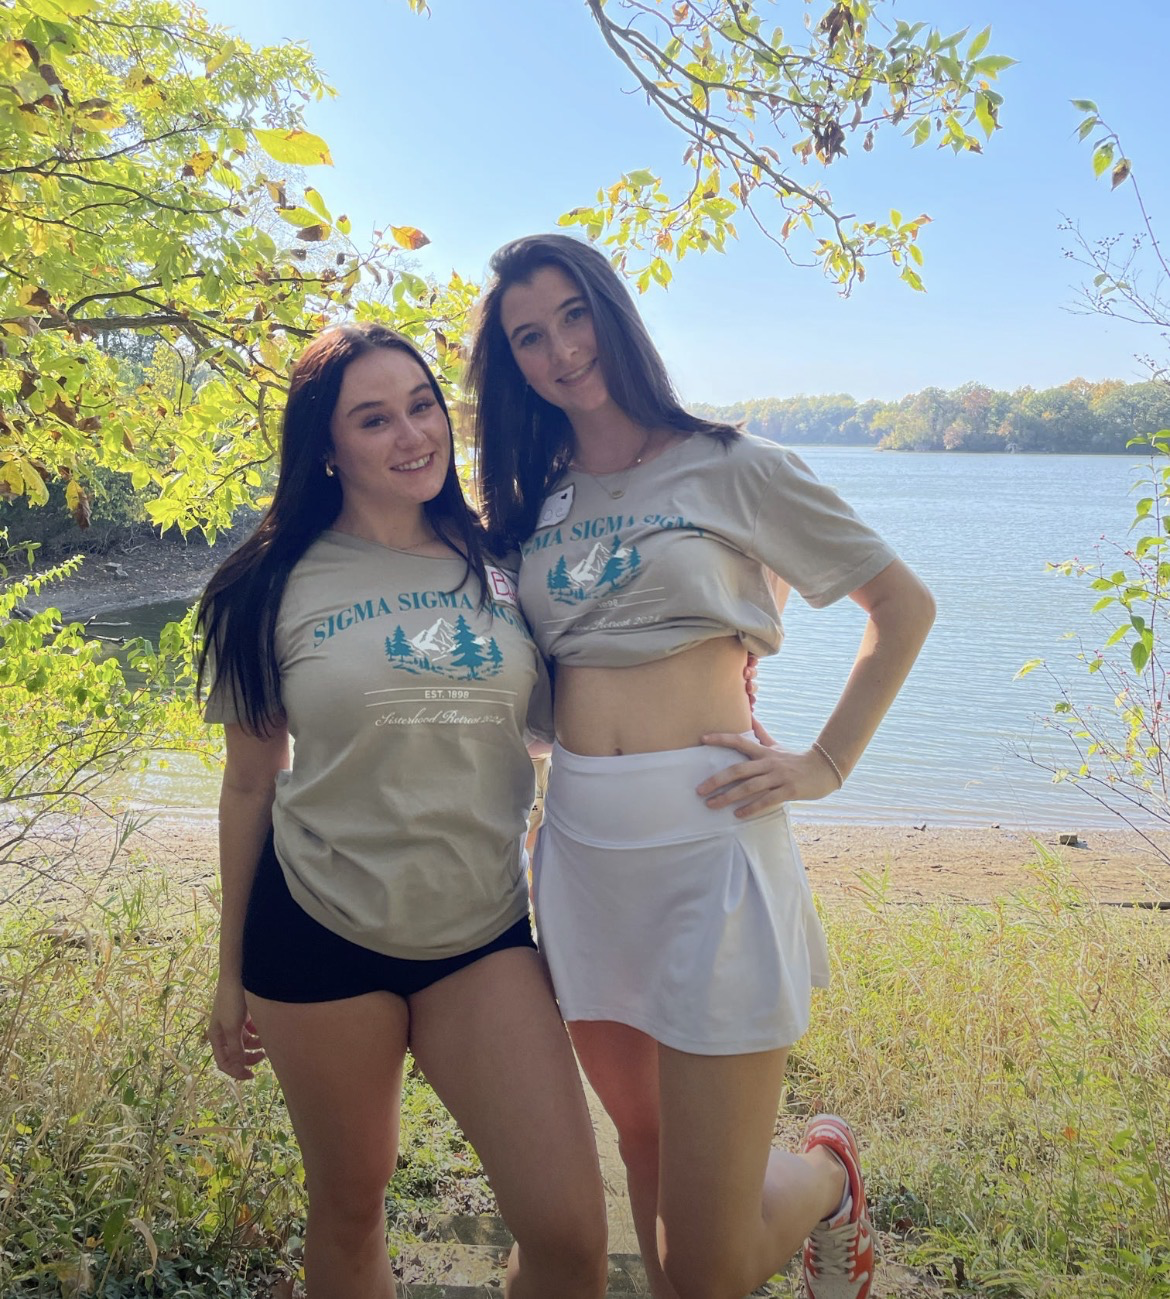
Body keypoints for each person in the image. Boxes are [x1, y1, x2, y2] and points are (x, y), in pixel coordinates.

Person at [468, 234, 936, 1299]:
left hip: (712, 846)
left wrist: (825, 762)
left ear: (614, 317)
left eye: (573, 316)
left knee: (711, 1268)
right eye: (528, 337)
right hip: (582, 854)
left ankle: (824, 1177)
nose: (558, 350)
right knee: (646, 1153)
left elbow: (902, 608)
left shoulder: (734, 464)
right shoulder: (532, 500)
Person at [197, 322, 608, 1299]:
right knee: (350, 1202)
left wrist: (722, 675)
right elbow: (252, 781)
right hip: (318, 929)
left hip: (481, 930)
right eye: (373, 419)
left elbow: (601, 668)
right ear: (327, 448)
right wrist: (229, 970)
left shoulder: (508, 558)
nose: (411, 433)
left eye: (422, 405)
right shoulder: (265, 587)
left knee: (568, 1232)